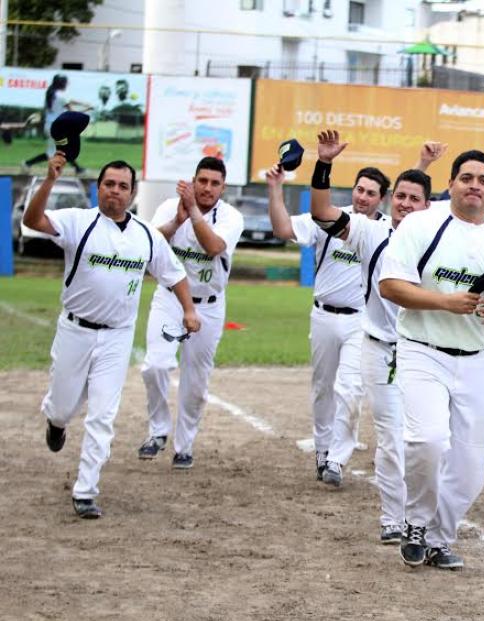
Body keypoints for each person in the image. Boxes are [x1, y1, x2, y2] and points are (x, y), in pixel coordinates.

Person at [379, 149, 484, 570]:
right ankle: (415, 522)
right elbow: (391, 286)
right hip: (422, 349)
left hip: (480, 359)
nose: (474, 185)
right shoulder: (422, 224)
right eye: (466, 178)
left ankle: (439, 537)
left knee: (472, 466)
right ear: (450, 184)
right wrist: (443, 302)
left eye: (483, 180)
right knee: (428, 441)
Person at [24, 153, 199, 518]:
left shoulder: (146, 235)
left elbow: (174, 273)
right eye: (108, 184)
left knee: (103, 414)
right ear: (98, 188)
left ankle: (85, 490)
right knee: (62, 406)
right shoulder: (78, 221)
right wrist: (50, 180)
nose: (114, 192)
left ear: (132, 193)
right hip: (75, 330)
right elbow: (33, 219)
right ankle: (56, 423)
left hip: (118, 337)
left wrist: (189, 309)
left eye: (122, 186)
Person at [307, 129, 438, 543]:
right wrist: (324, 162)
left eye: (414, 198)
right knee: (391, 436)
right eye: (399, 196)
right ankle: (392, 519)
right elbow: (322, 211)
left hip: (426, 355)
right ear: (390, 201)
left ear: (426, 206)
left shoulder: (439, 241)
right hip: (380, 349)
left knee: (430, 440)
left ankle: (425, 512)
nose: (404, 203)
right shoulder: (370, 233)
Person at [267, 160, 390, 486]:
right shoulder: (332, 218)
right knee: (323, 389)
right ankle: (323, 451)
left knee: (349, 388)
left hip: (360, 322)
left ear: (382, 199)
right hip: (323, 315)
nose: (363, 197)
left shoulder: (385, 230)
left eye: (371, 193)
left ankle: (337, 458)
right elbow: (282, 229)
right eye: (360, 189)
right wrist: (275, 188)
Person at [137, 157, 244, 468]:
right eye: (202, 181)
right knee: (155, 365)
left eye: (214, 183)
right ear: (193, 181)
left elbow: (213, 247)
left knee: (195, 383)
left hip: (209, 305)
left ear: (223, 188)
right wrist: (177, 220)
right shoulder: (170, 207)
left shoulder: (231, 217)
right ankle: (158, 430)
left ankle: (184, 446)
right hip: (169, 298)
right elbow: (150, 246)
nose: (207, 188)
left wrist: (193, 213)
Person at [23, 74, 93, 174]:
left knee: (53, 152)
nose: (67, 84)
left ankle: (28, 164)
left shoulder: (51, 95)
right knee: (66, 150)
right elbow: (72, 111)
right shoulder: (61, 96)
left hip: (50, 126)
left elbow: (71, 101)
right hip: (58, 128)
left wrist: (84, 104)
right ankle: (78, 169)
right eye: (65, 82)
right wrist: (87, 109)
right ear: (62, 84)